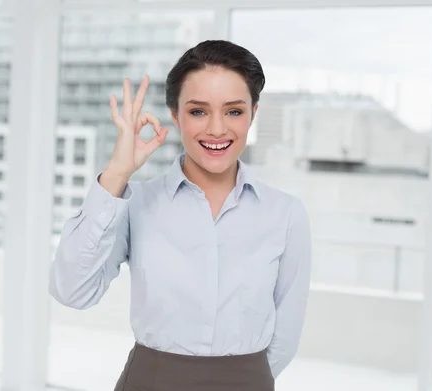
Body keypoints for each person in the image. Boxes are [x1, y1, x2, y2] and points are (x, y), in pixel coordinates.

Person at [49, 40, 312, 391]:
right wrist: (116, 173)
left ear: (253, 113)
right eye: (198, 111)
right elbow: (71, 290)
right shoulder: (136, 203)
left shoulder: (285, 214)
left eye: (234, 111)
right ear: (175, 116)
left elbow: (286, 335)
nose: (217, 129)